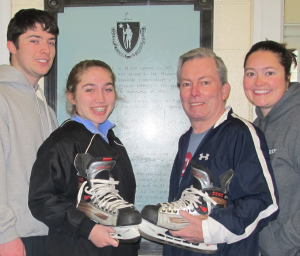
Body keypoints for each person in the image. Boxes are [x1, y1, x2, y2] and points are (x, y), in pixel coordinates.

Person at [140, 47, 279, 256]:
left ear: (224, 90)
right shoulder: (185, 140)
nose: (194, 92)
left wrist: (207, 230)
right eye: (187, 84)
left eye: (204, 82)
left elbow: (263, 203)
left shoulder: (241, 134)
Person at [28, 60, 140, 256]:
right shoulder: (62, 142)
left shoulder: (115, 143)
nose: (101, 98)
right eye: (90, 90)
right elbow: (41, 199)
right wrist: (88, 229)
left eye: (107, 89)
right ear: (72, 96)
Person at [0, 8, 59, 256]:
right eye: (34, 40)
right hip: (15, 237)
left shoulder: (47, 110)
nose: (45, 49)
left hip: (48, 234)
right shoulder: (2, 98)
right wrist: (5, 235)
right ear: (11, 46)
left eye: (50, 41)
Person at [243, 40, 300, 256]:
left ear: (287, 77)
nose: (259, 82)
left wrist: (284, 243)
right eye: (250, 73)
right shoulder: (256, 129)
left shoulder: (296, 120)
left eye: (269, 73)